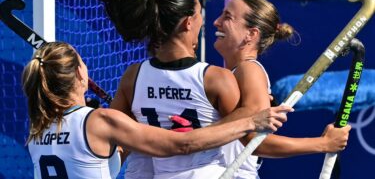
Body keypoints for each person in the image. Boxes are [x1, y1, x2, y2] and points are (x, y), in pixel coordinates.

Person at [93, 0, 291, 179]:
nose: (210, 21)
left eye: (227, 16)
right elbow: (252, 134)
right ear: (188, 22)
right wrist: (320, 144)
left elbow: (114, 149)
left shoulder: (133, 77)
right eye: (199, 13)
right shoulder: (216, 79)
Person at [24, 41, 291, 179]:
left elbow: (98, 155)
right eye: (83, 62)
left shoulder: (38, 129)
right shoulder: (101, 121)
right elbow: (182, 145)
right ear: (80, 75)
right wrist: (250, 122)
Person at [213, 0, 352, 178]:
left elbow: (256, 142)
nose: (216, 22)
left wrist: (323, 143)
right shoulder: (237, 72)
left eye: (227, 17)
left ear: (251, 34)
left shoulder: (249, 70)